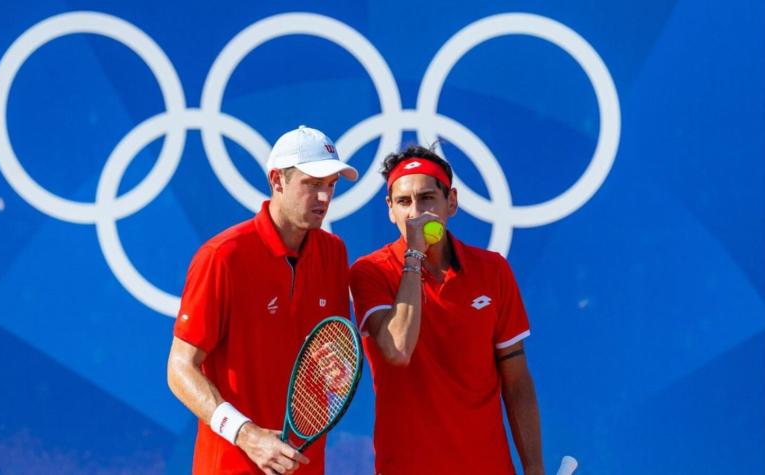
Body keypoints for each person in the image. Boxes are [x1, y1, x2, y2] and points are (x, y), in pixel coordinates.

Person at [167, 126, 358, 475]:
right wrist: (247, 435)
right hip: (230, 465)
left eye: (331, 185)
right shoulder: (222, 256)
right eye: (312, 184)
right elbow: (180, 369)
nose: (324, 198)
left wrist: (338, 372)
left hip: (304, 465)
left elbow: (335, 358)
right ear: (277, 180)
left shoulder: (334, 253)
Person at [349, 145, 544, 475]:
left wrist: (535, 469)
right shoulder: (370, 272)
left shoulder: (493, 270)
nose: (416, 212)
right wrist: (415, 256)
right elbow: (397, 349)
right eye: (403, 202)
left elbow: (517, 382)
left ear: (450, 202)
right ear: (390, 210)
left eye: (427, 198)